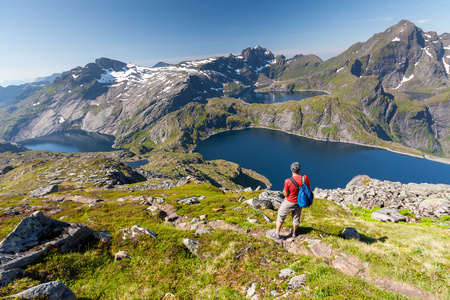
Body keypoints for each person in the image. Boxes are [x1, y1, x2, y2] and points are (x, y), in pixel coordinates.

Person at [271, 162, 311, 239]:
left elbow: (285, 194)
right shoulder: (305, 178)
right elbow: (308, 189)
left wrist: (284, 192)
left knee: (281, 215)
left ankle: (277, 233)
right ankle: (294, 233)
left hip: (289, 202)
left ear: (291, 170)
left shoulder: (288, 181)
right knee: (296, 218)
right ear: (299, 170)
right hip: (300, 202)